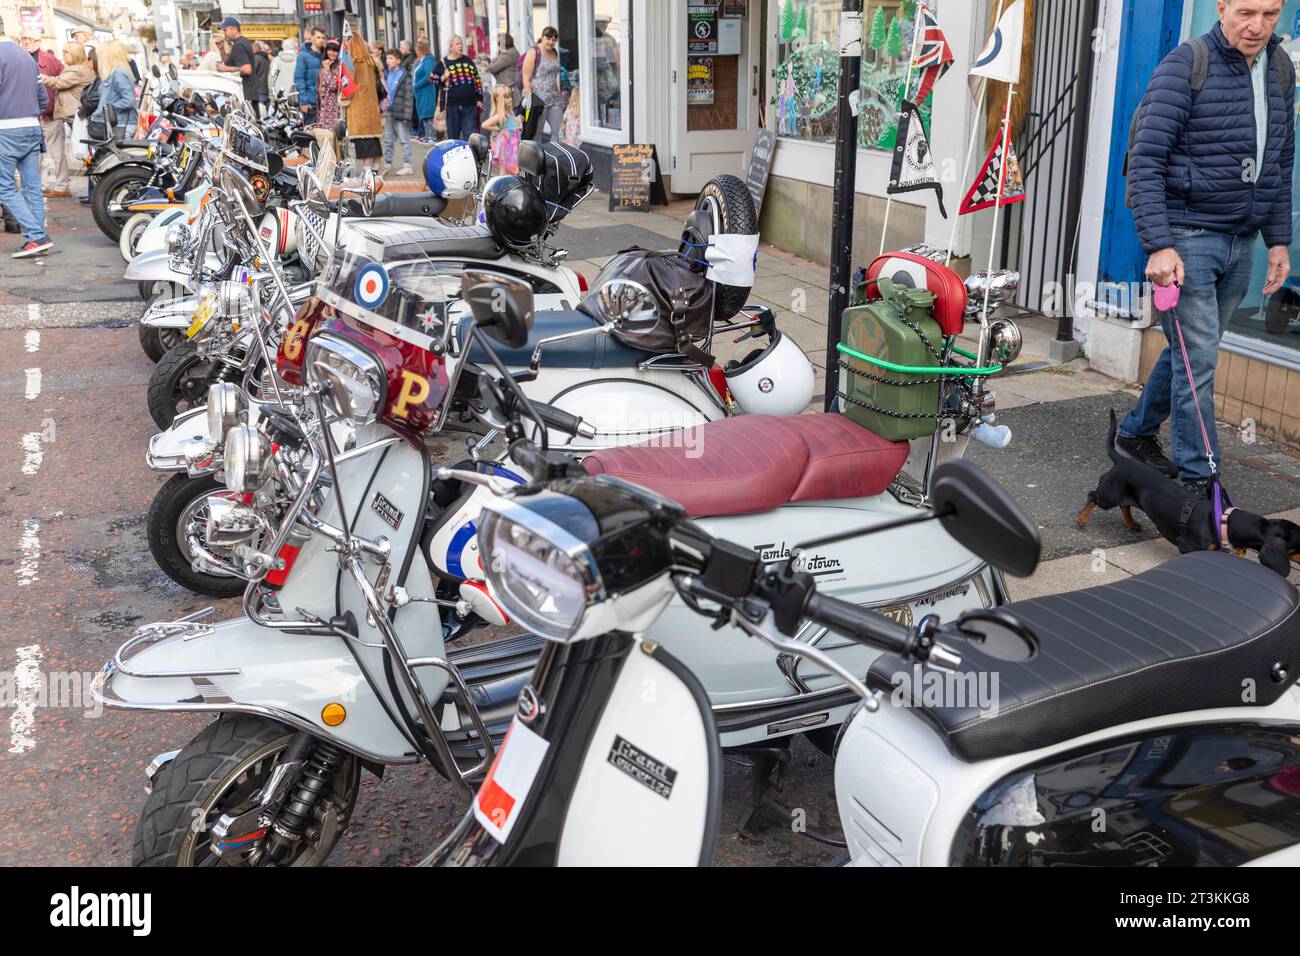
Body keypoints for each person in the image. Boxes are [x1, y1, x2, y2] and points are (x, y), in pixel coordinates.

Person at [1121, 0, 1294, 494]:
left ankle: (1135, 433)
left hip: (1242, 241)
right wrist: (1158, 245)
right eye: (1245, 12)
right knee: (1198, 362)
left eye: (1270, 13)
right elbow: (1147, 159)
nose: (1257, 26)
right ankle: (1202, 482)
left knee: (1189, 352)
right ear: (1220, 7)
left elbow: (1281, 159)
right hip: (1188, 239)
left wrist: (1278, 241)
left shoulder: (1279, 67)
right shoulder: (1186, 63)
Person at [0, 16, 52, 256]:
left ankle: (34, 234)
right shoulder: (26, 56)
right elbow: (43, 98)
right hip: (32, 126)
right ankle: (38, 236)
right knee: (32, 186)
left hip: (6, 128)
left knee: (4, 187)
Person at [39, 41, 93, 199]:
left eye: (66, 52)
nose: (63, 55)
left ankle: (91, 191)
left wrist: (39, 76)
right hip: (73, 115)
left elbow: (58, 82)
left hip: (77, 116)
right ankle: (91, 192)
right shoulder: (77, 69)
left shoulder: (77, 70)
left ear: (75, 54)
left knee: (86, 152)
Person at [341, 29, 383, 168]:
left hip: (358, 107)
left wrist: (342, 98)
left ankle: (367, 173)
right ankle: (376, 170)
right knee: (374, 140)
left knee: (364, 143)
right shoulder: (370, 61)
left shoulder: (352, 62)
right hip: (372, 106)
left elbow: (348, 86)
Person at [432, 34, 482, 141]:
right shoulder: (443, 63)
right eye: (457, 44)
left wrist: (479, 99)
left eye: (461, 44)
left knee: (469, 136)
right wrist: (443, 77)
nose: (460, 46)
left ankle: (469, 157)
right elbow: (432, 80)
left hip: (470, 105)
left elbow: (477, 80)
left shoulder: (468, 61)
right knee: (454, 138)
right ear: (451, 46)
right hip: (452, 106)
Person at [520, 26, 564, 142]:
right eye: (548, 38)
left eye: (554, 39)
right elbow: (526, 77)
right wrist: (530, 100)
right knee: (536, 134)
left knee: (558, 131)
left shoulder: (554, 52)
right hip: (538, 100)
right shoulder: (534, 52)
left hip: (554, 99)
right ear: (542, 38)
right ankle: (536, 158)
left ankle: (555, 157)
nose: (551, 42)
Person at [92, 40, 137, 141]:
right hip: (115, 123)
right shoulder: (113, 73)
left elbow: (128, 101)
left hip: (121, 124)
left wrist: (107, 109)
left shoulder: (119, 73)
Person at [382, 49, 413, 175]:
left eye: (391, 58)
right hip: (389, 111)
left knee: (404, 140)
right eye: (387, 58)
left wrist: (407, 115)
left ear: (398, 61)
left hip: (401, 113)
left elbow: (409, 96)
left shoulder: (405, 76)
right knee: (388, 139)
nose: (388, 61)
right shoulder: (386, 74)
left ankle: (407, 165)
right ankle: (387, 163)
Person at [215, 17, 257, 105]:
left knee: (251, 118)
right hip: (248, 93)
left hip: (246, 93)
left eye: (225, 30)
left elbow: (247, 69)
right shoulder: (241, 43)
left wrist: (225, 69)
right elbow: (229, 62)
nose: (224, 33)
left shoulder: (239, 45)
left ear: (234, 29)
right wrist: (222, 50)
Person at [482, 84, 520, 175]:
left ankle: (509, 187)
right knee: (504, 171)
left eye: (510, 96)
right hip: (506, 147)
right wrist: (499, 129)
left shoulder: (509, 114)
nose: (510, 99)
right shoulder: (501, 115)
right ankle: (501, 188)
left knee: (512, 172)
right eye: (506, 97)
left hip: (513, 146)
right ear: (500, 100)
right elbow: (484, 124)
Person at [295, 27, 325, 120]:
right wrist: (304, 101)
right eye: (318, 37)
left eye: (323, 38)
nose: (321, 40)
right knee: (311, 131)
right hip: (310, 101)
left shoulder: (325, 54)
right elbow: (299, 79)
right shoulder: (303, 56)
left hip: (325, 102)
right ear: (312, 38)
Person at [412, 38, 438, 142]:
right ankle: (427, 135)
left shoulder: (429, 61)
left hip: (427, 91)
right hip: (421, 93)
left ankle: (431, 136)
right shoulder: (422, 61)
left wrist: (416, 85)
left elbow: (429, 76)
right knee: (424, 115)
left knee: (428, 114)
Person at [314, 39, 342, 131]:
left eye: (335, 51)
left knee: (331, 134)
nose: (332, 53)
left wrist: (327, 70)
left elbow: (333, 86)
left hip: (333, 107)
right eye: (329, 50)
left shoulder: (339, 66)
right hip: (322, 106)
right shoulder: (325, 63)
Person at [486, 32, 519, 98]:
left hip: (507, 90)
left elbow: (492, 68)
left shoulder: (508, 54)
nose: (498, 46)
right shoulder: (513, 52)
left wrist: (497, 56)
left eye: (498, 43)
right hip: (509, 88)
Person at [250, 40, 272, 115]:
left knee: (258, 116)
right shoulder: (267, 59)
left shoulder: (255, 59)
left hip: (258, 91)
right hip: (267, 91)